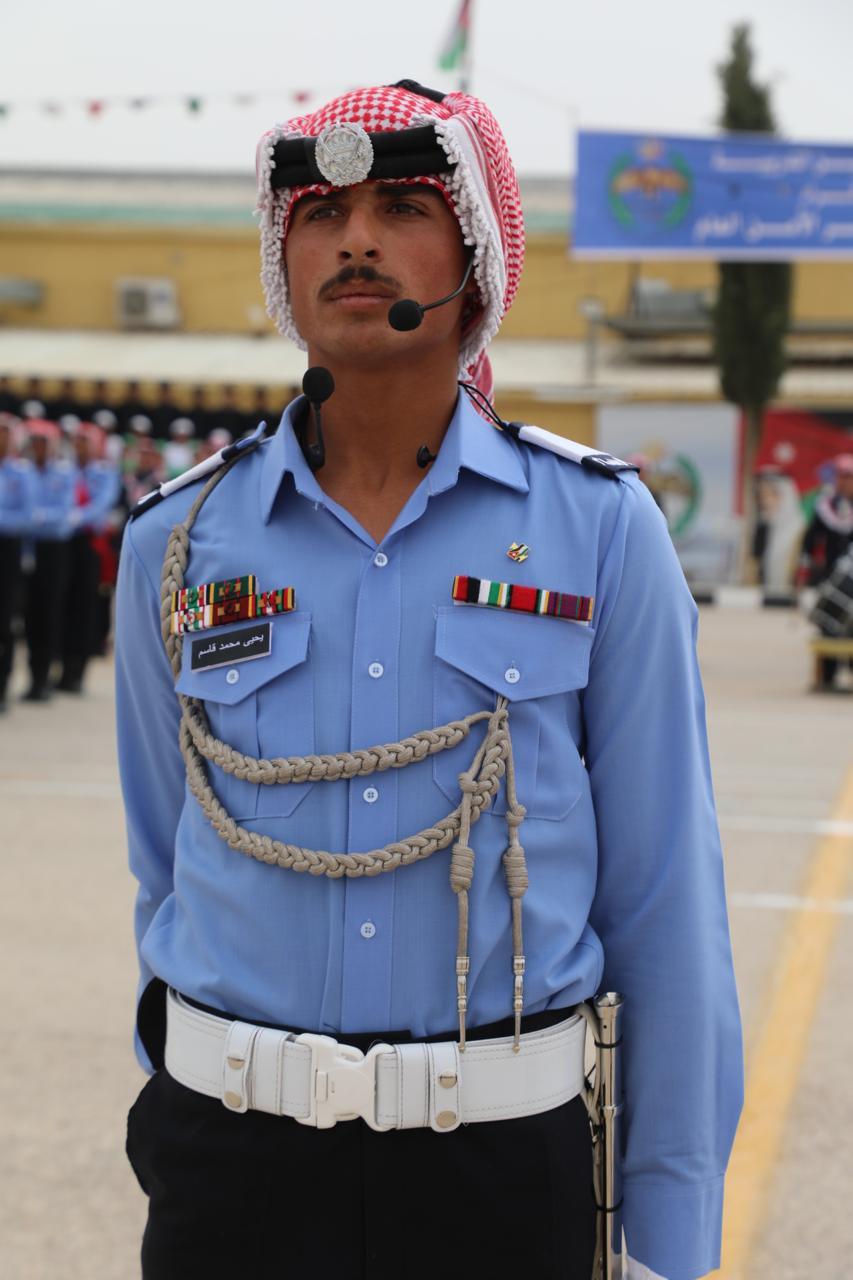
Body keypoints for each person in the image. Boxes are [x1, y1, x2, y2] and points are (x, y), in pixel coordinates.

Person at [116, 81, 742, 1280]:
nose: (354, 238)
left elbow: (665, 896)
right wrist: (180, 1098)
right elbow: (164, 861)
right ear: (282, 257)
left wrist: (667, 1232)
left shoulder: (597, 528)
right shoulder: (178, 540)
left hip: (496, 1169)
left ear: (477, 256)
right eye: (319, 212)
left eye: (403, 205)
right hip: (231, 1168)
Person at [56, 422, 121, 692]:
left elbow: (102, 505)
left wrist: (76, 517)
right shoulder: (65, 470)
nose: (80, 447)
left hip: (90, 543)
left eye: (85, 442)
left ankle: (77, 671)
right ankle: (61, 667)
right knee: (63, 604)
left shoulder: (104, 472)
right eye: (77, 442)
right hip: (64, 542)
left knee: (85, 606)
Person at [22, 419, 74, 700]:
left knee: (50, 613)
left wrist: (35, 518)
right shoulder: (25, 471)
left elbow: (63, 518)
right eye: (35, 443)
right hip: (28, 549)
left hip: (53, 550)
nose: (39, 448)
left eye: (43, 443)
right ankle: (33, 677)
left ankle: (45, 677)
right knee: (30, 615)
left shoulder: (63, 474)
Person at [800, 453, 853, 687]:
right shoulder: (826, 506)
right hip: (831, 576)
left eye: (849, 477)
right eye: (842, 476)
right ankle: (827, 678)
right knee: (828, 624)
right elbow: (810, 541)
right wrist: (805, 571)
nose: (845, 482)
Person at [0, 413, 34, 710]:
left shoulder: (21, 473)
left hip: (8, 550)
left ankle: (2, 685)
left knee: (5, 620)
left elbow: (28, 516)